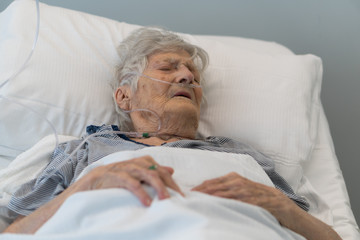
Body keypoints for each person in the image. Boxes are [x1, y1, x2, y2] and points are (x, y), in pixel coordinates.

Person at [3, 27, 341, 240]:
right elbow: (15, 230)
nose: (186, 78)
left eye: (193, 76)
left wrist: (281, 207)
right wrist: (87, 184)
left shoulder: (241, 154)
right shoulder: (86, 149)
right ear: (124, 96)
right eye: (167, 68)